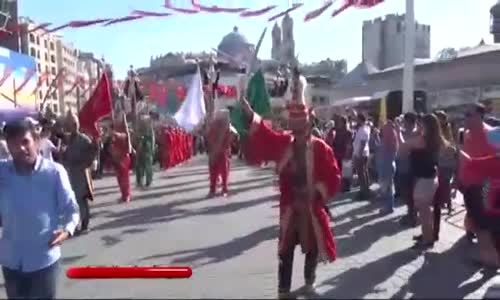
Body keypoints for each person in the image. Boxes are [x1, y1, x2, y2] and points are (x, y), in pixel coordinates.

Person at [239, 77, 340, 298]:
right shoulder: (285, 143)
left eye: (301, 126)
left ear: (308, 125)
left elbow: (333, 175)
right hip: (290, 205)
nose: (297, 131)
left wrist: (317, 191)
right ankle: (283, 290)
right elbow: (265, 136)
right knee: (285, 250)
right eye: (294, 127)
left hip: (311, 205)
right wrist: (250, 114)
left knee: (312, 247)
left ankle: (309, 282)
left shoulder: (321, 148)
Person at [0, 118, 80, 299]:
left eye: (25, 142)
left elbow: (72, 209)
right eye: (14, 144)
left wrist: (67, 230)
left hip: (43, 260)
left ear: (36, 142)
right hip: (11, 261)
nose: (20, 148)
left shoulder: (54, 172)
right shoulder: (2, 172)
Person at [459, 103, 498, 267]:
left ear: (479, 116)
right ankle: (488, 258)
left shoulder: (492, 134)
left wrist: (474, 163)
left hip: (485, 187)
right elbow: (462, 161)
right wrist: (457, 179)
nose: (466, 117)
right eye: (465, 114)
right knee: (478, 225)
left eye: (469, 114)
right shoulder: (466, 134)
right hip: (469, 187)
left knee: (485, 227)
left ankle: (493, 260)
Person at [399, 114, 444, 250]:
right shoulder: (434, 139)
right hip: (429, 177)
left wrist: (396, 131)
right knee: (425, 210)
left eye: (421, 124)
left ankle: (427, 240)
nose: (419, 125)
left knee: (424, 211)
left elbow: (403, 146)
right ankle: (427, 235)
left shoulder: (423, 140)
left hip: (425, 179)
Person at [62, 112, 96, 234]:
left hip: (81, 174)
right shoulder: (67, 140)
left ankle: (85, 224)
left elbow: (92, 153)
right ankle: (75, 223)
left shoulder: (84, 139)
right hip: (71, 173)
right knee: (73, 200)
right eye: (69, 124)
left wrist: (84, 163)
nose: (70, 127)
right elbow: (65, 157)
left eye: (72, 124)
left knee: (81, 199)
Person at [397, 112, 419, 227]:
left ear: (409, 121)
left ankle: (413, 216)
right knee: (407, 193)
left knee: (410, 194)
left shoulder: (415, 133)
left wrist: (397, 130)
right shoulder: (406, 132)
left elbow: (403, 146)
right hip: (403, 166)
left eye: (405, 121)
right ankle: (411, 214)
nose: (403, 123)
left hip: (410, 168)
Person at [206, 110, 232, 197]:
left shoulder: (227, 126)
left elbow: (231, 137)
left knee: (222, 171)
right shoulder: (214, 125)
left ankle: (222, 188)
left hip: (222, 151)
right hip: (216, 151)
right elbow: (209, 136)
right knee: (215, 171)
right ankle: (214, 188)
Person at [378, 115, 399, 214]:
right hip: (388, 163)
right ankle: (388, 206)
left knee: (388, 186)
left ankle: (389, 207)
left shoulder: (389, 142)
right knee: (387, 186)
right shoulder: (390, 138)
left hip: (388, 164)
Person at [110, 113, 133, 203]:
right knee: (119, 179)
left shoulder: (124, 134)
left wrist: (115, 134)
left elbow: (122, 136)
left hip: (124, 158)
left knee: (124, 179)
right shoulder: (115, 135)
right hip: (117, 158)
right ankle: (124, 195)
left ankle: (127, 195)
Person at [353, 113, 371, 199]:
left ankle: (364, 191)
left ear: (360, 119)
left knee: (361, 173)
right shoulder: (364, 128)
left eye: (357, 119)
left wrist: (359, 154)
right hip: (364, 153)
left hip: (362, 154)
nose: (356, 120)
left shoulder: (363, 129)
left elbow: (363, 143)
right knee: (364, 171)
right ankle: (366, 189)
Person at [135, 115, 155, 188]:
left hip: (147, 150)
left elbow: (152, 140)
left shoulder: (149, 130)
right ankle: (139, 181)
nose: (142, 123)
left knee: (148, 167)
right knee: (139, 167)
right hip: (140, 150)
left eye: (144, 121)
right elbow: (135, 138)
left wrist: (152, 149)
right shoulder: (139, 130)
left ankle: (148, 181)